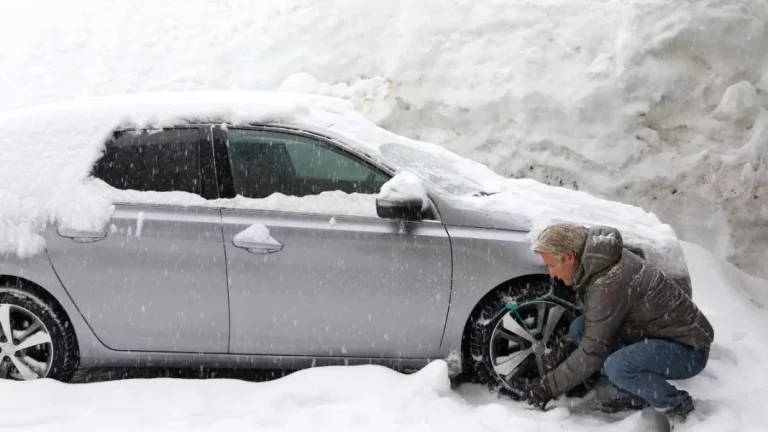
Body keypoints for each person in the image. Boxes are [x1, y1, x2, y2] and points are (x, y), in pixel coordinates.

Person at [521, 224, 714, 421]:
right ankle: (638, 395)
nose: (551, 273)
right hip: (657, 335)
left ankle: (682, 410)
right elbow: (596, 326)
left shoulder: (607, 283)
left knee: (617, 367)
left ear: (570, 257)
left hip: (688, 349)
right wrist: (568, 343)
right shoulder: (600, 262)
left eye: (551, 265)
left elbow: (592, 352)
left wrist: (548, 386)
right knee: (580, 328)